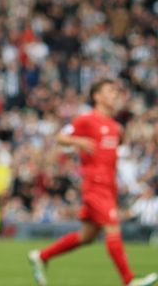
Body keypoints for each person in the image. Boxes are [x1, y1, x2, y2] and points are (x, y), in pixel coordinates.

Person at [27, 79, 157, 286]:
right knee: (113, 228)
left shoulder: (115, 127)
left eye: (116, 92)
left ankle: (41, 256)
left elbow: (117, 146)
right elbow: (61, 137)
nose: (114, 95)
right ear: (97, 96)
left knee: (87, 236)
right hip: (95, 185)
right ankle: (129, 280)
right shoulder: (86, 120)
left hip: (109, 186)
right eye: (110, 91)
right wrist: (78, 141)